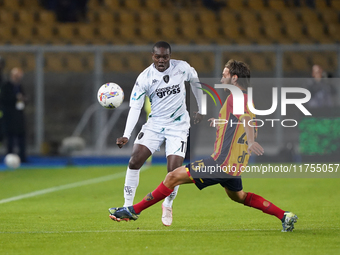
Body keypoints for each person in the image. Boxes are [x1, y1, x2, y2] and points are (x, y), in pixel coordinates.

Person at [109, 59, 298, 232]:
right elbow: (242, 119)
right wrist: (222, 122)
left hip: (220, 163)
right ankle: (284, 215)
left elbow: (247, 120)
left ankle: (133, 210)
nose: (221, 77)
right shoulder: (247, 98)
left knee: (172, 177)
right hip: (234, 165)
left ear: (234, 78)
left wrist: (251, 141)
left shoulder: (235, 97)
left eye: (224, 75)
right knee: (239, 196)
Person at [115, 41, 203, 226]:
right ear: (152, 56)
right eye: (158, 56)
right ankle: (127, 206)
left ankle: (168, 203)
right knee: (134, 161)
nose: (162, 60)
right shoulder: (144, 78)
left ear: (170, 56)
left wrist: (201, 108)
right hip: (155, 125)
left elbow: (196, 83)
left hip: (178, 126)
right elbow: (135, 107)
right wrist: (127, 134)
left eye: (165, 56)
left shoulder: (182, 68)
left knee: (174, 172)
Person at [0, 68, 27, 162]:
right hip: (9, 116)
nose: (18, 78)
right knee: (10, 138)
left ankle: (22, 157)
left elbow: (23, 99)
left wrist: (23, 99)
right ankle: (9, 157)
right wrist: (15, 98)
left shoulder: (20, 86)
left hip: (19, 116)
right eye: (16, 76)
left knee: (21, 137)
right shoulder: (6, 86)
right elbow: (4, 99)